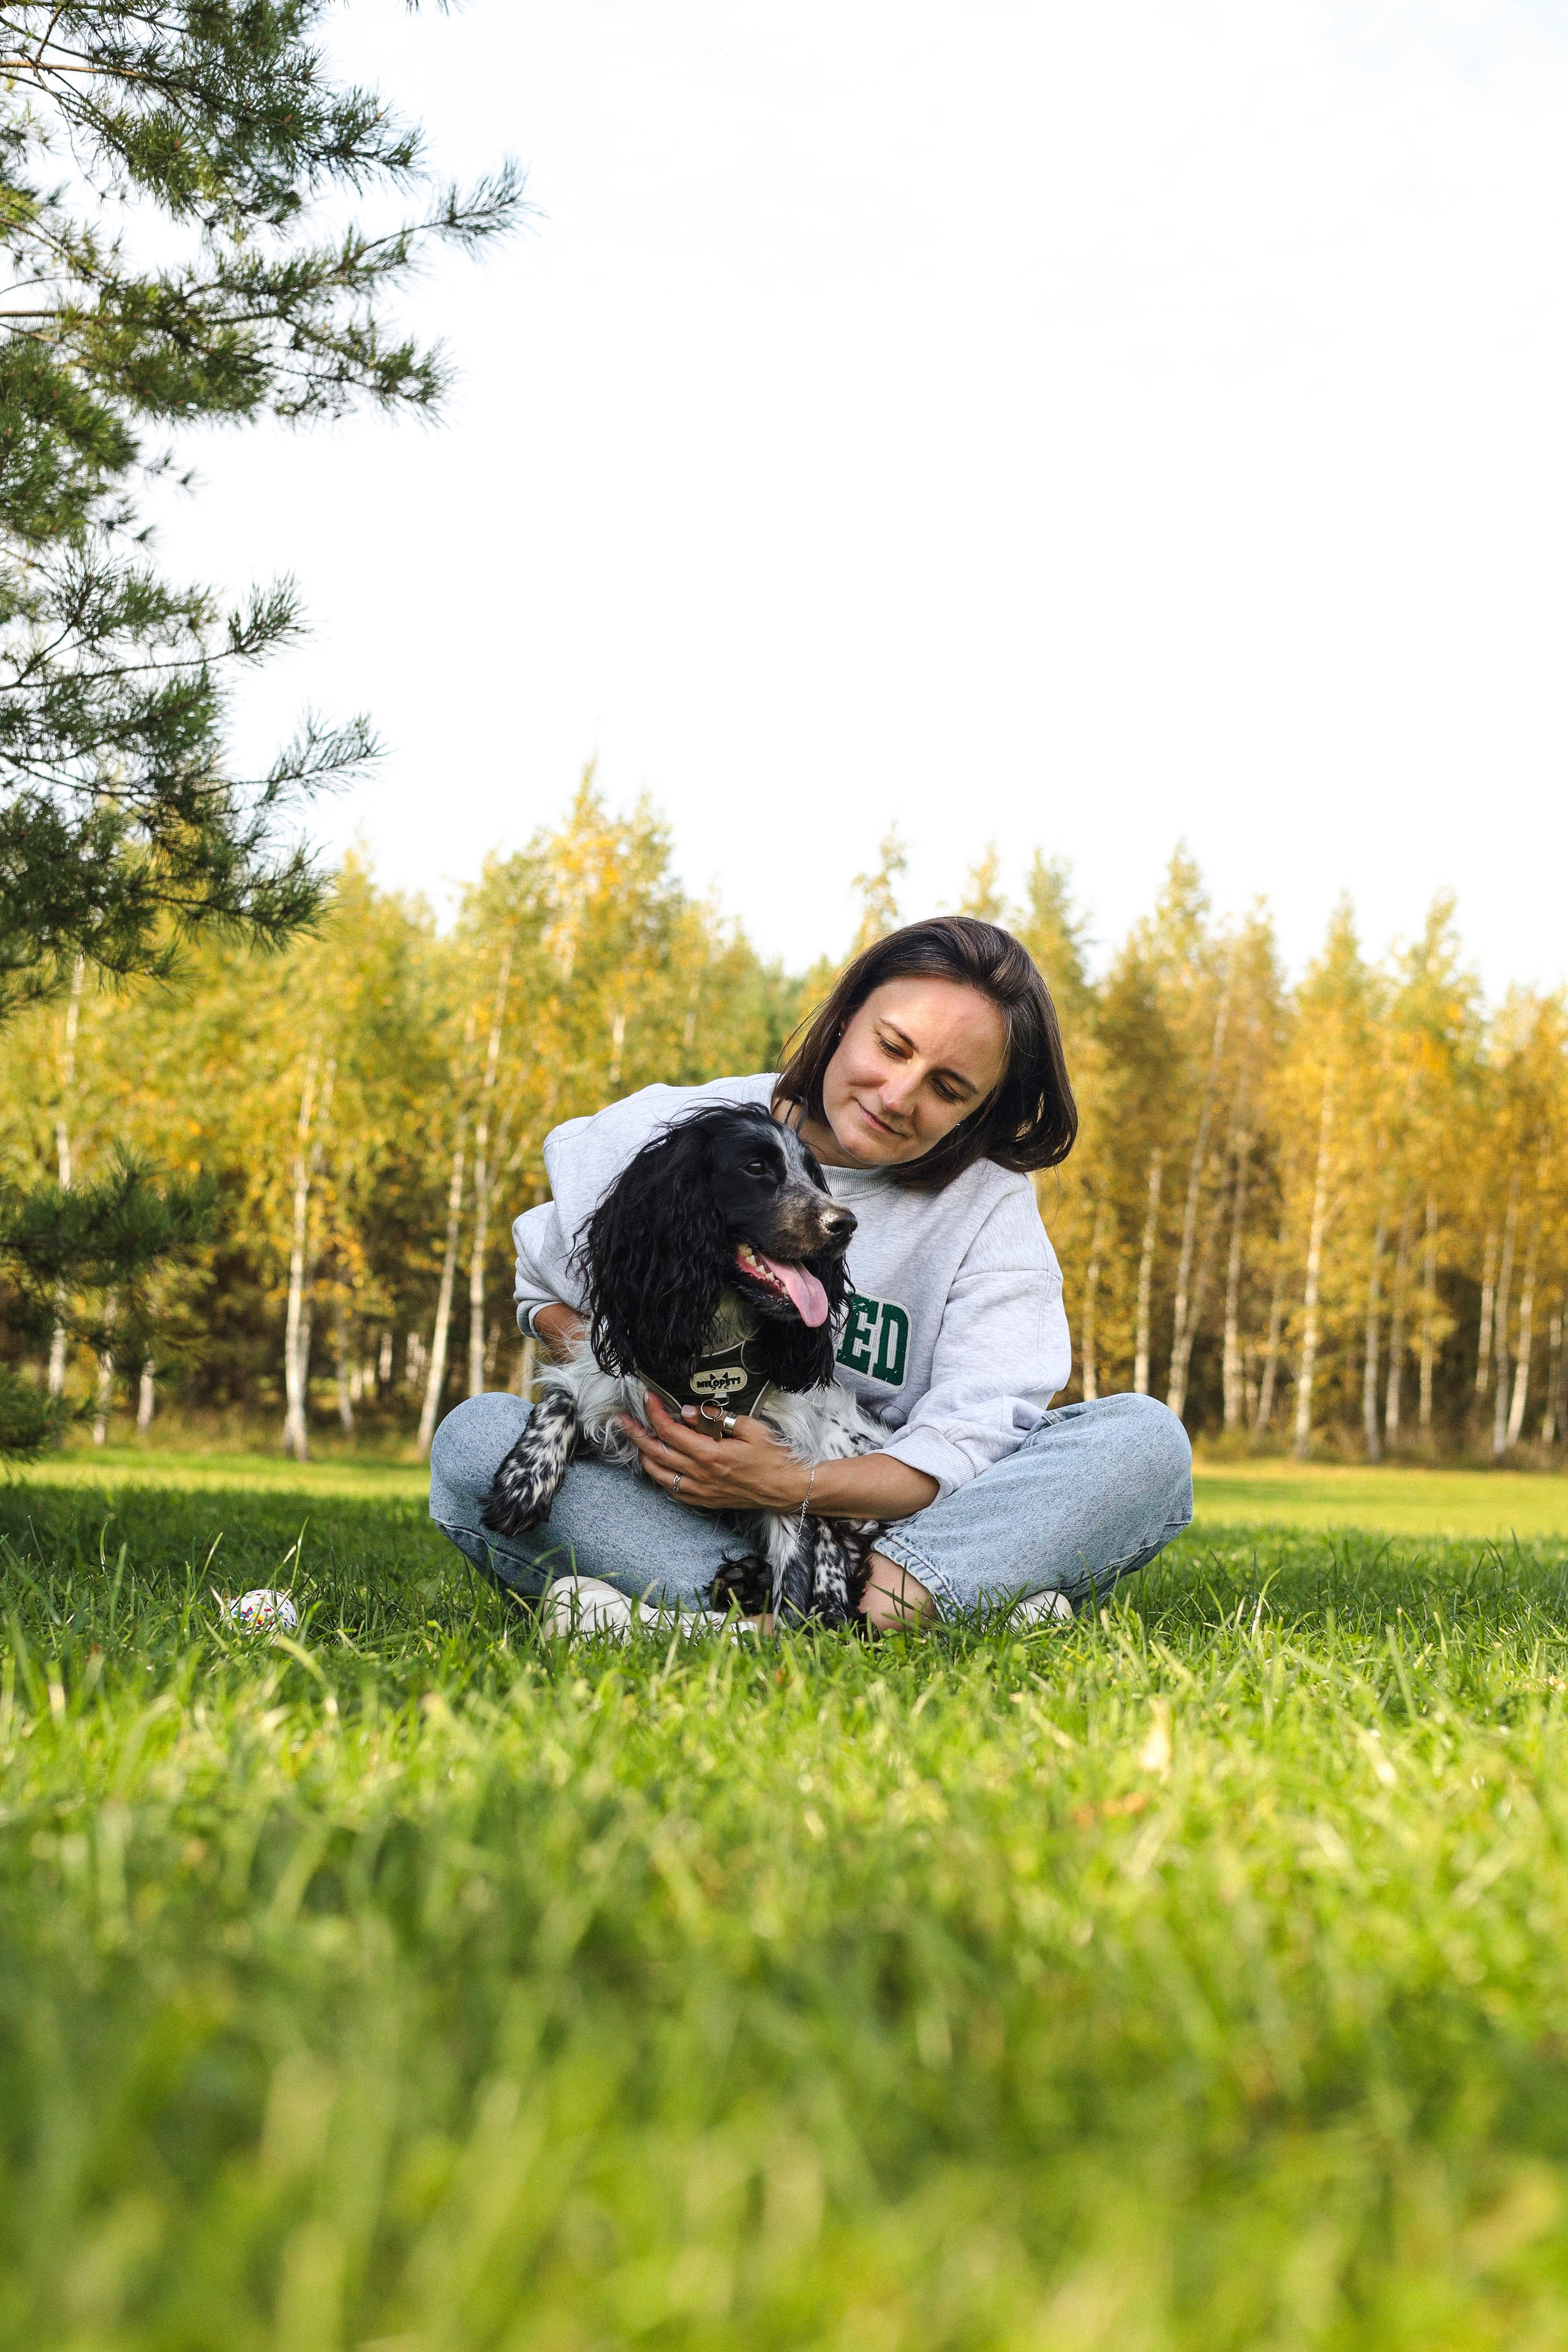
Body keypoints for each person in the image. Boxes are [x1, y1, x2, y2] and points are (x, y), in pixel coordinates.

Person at [429, 916, 1193, 1632]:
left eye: (948, 1088)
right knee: (477, 1440)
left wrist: (786, 1483)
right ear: (844, 1015)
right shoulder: (683, 1130)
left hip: (890, 1519)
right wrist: (651, 1394)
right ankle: (913, 1611)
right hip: (673, 1494)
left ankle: (782, 1612)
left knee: (1144, 1443)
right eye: (892, 1047)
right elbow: (545, 1289)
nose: (899, 1098)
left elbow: (968, 1439)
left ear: (979, 1111)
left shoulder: (986, 1206)